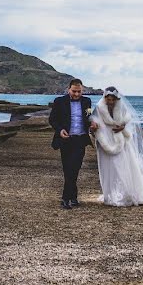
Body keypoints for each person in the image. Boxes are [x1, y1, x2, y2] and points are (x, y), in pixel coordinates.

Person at [90, 86, 143, 206]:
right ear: (105, 98)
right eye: (108, 99)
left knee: (125, 166)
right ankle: (111, 195)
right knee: (109, 168)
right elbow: (93, 121)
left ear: (117, 99)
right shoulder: (98, 108)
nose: (111, 102)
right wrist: (94, 127)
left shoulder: (122, 107)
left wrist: (123, 126)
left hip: (122, 142)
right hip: (106, 141)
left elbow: (128, 121)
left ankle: (130, 193)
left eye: (113, 99)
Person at [49, 79, 98, 209]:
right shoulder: (59, 101)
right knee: (67, 169)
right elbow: (52, 119)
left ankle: (66, 198)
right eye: (74, 91)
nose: (77, 94)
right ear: (68, 89)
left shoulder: (87, 101)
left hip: (80, 139)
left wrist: (92, 124)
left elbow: (88, 118)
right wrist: (60, 130)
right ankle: (72, 197)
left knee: (75, 168)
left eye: (79, 91)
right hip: (65, 139)